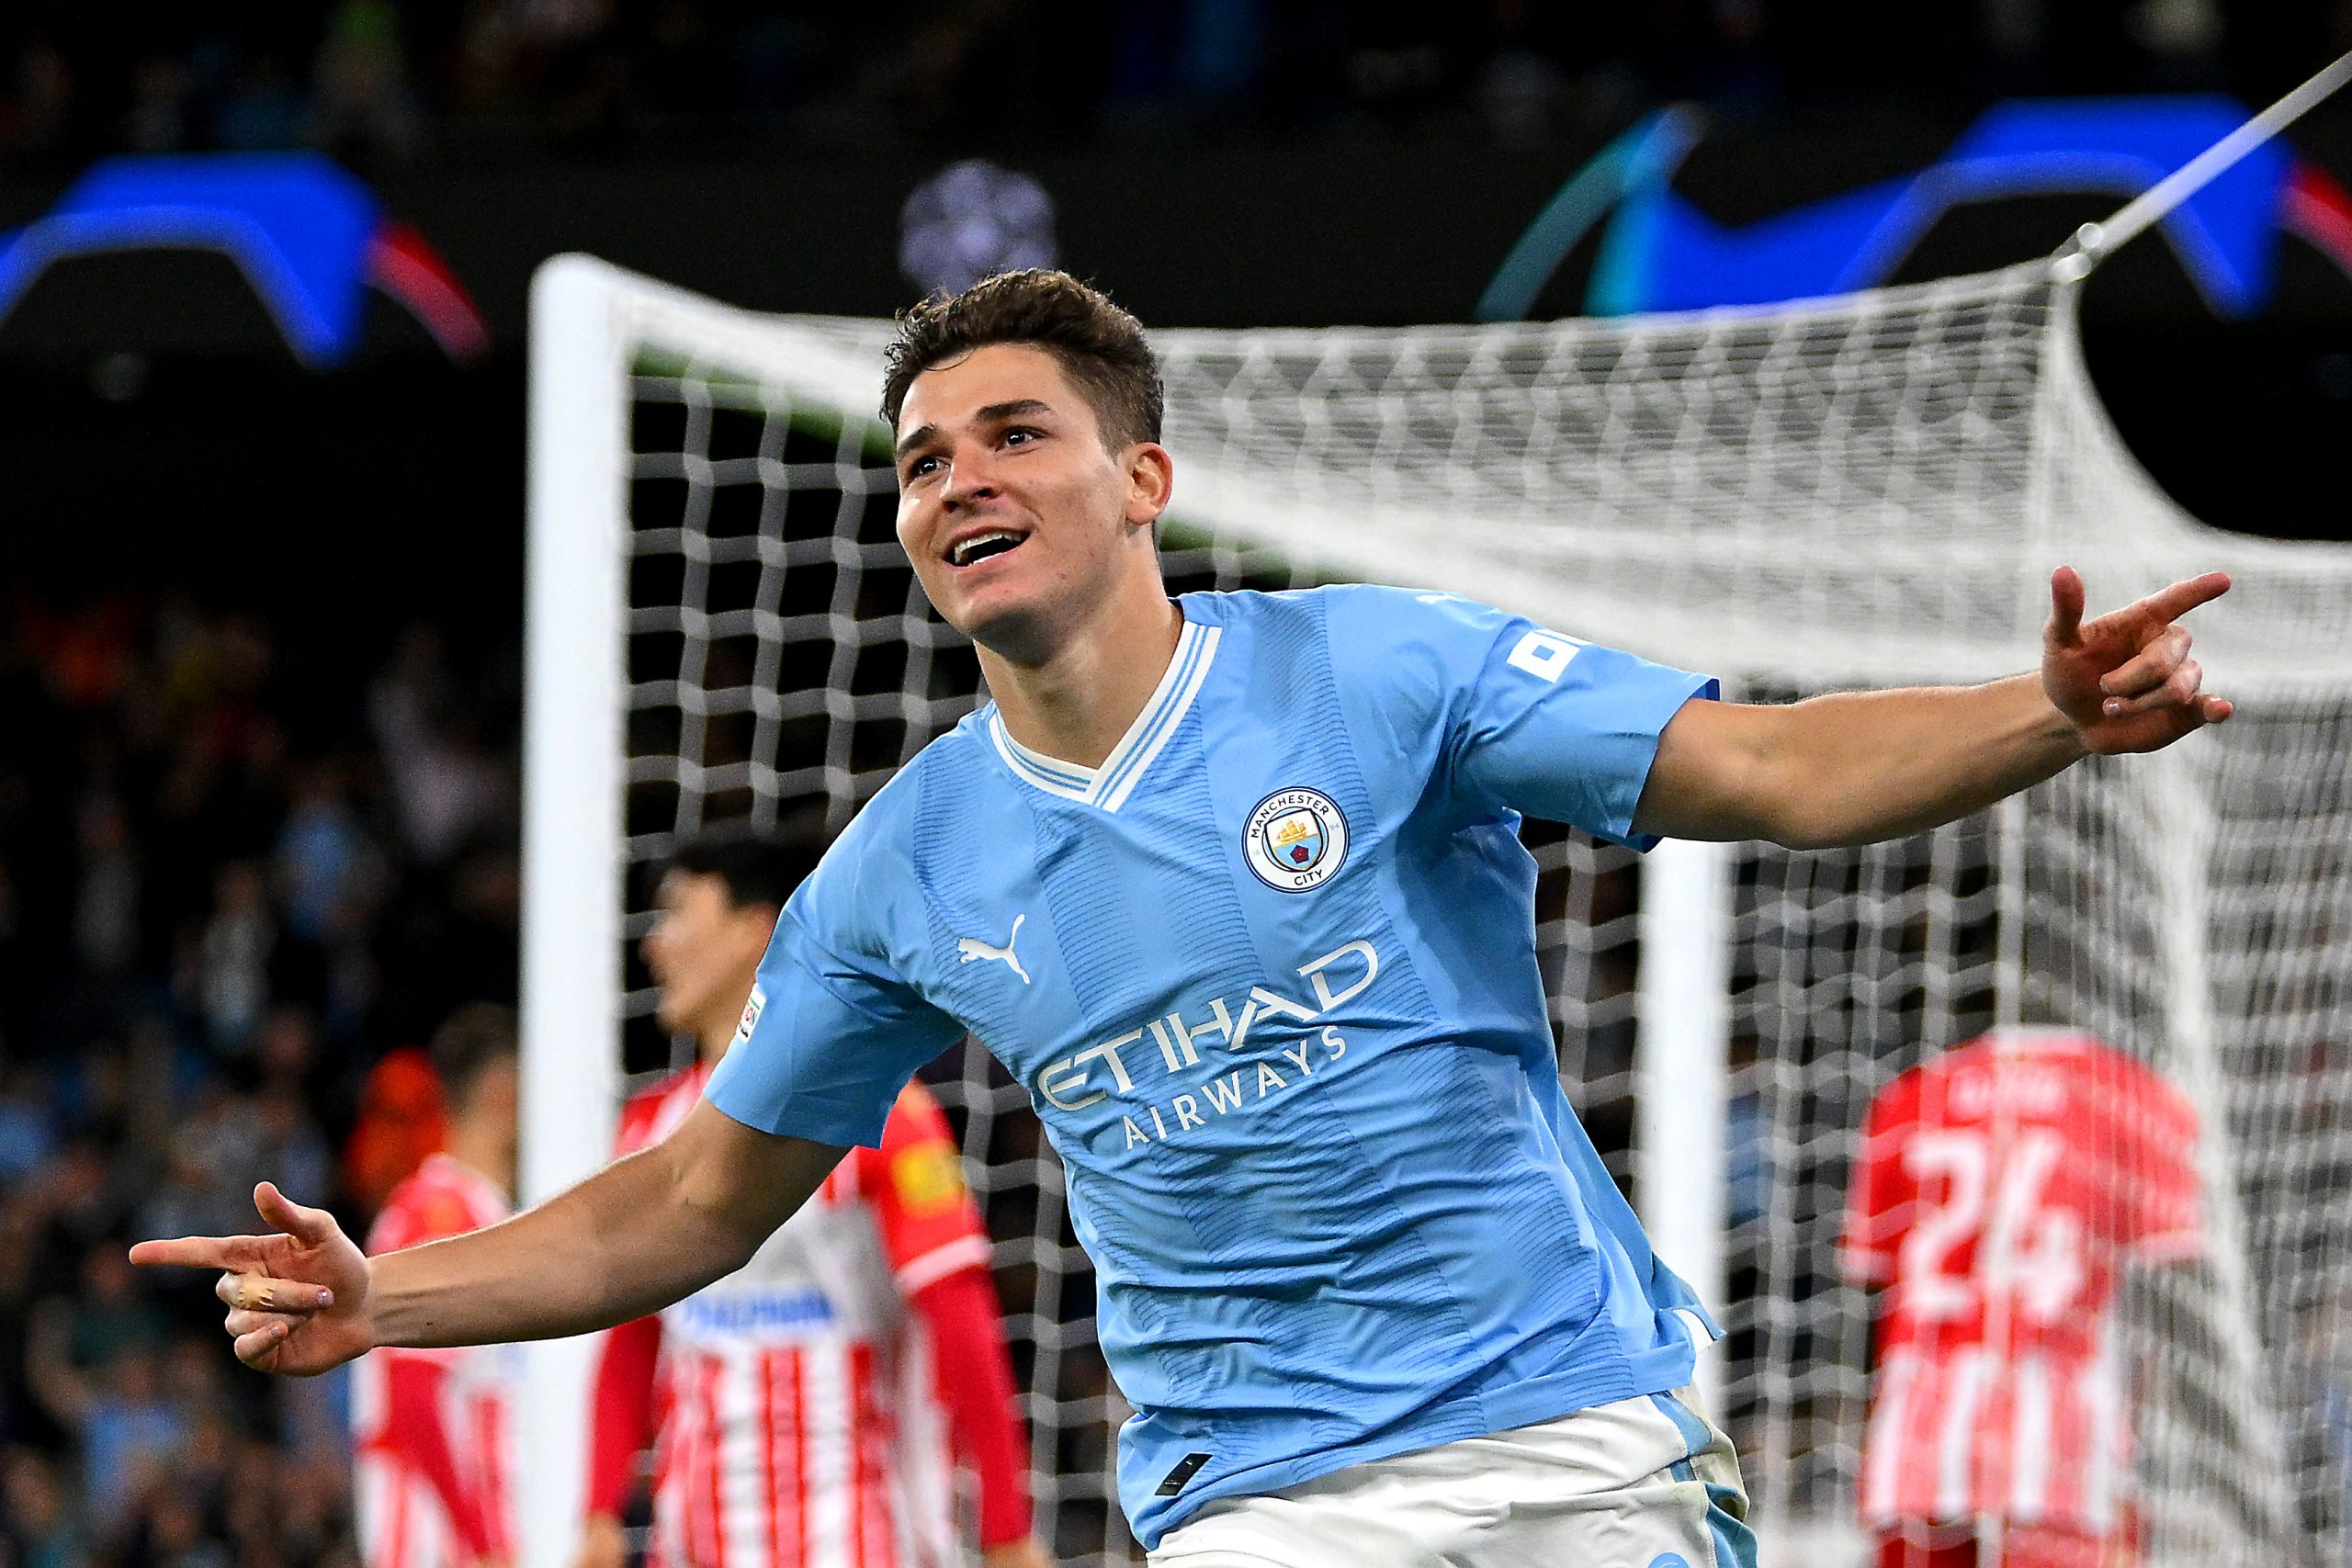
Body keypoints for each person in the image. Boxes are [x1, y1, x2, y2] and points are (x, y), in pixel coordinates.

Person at [133, 268, 2235, 1568]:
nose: (956, 474)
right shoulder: (902, 866)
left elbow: (1760, 765)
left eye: (1014, 433)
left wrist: (2035, 712)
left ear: (1140, 478)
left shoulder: (1381, 670)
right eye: (921, 454)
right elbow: (683, 1202)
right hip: (1254, 1509)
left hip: (1562, 1448)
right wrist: (390, 1293)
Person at [579, 825, 1047, 1568]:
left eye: (676, 913)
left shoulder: (883, 1112)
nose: (655, 944)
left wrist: (1006, 1531)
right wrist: (599, 1510)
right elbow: (632, 1335)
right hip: (695, 1542)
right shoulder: (647, 1129)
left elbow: (957, 1311)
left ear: (752, 930)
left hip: (854, 1538)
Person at [1842, 1026, 2204, 1568]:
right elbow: (2162, 1294)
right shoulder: (2132, 1095)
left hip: (1922, 1418)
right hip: (2063, 1421)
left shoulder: (1912, 1094)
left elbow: (1874, 1272)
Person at [351, 1003, 523, 1568]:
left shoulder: (486, 1214)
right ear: (504, 1094)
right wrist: (485, 1544)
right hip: (440, 1543)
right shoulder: (440, 1217)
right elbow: (414, 1392)